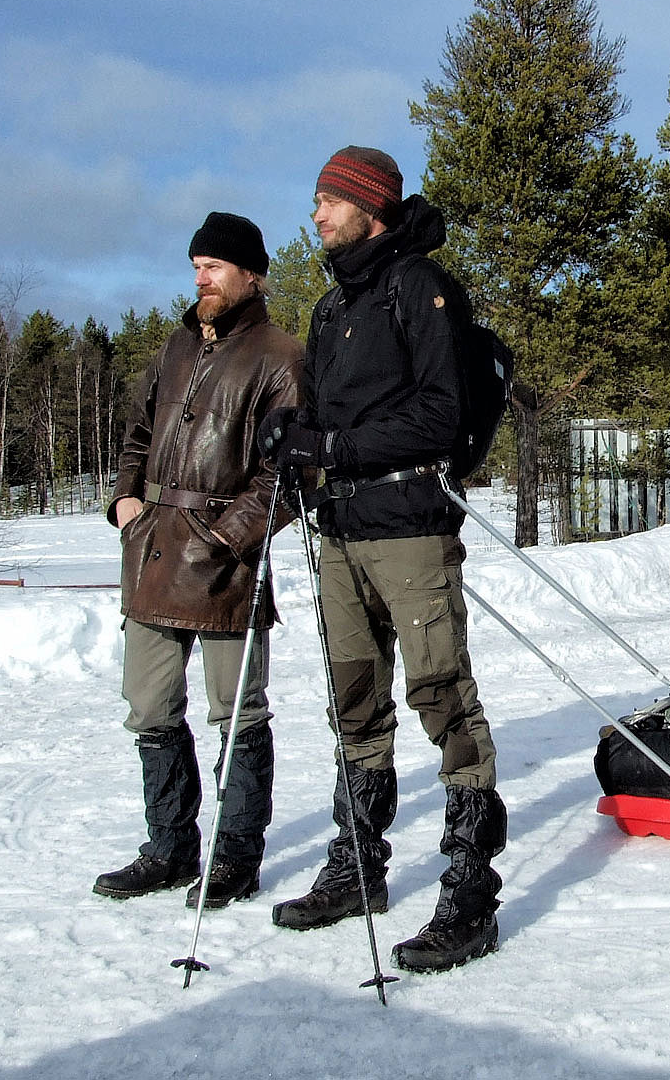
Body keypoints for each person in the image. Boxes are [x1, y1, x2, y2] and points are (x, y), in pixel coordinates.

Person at [258, 146, 505, 975]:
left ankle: (469, 888)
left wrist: (337, 443)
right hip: (340, 533)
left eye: (329, 200)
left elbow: (442, 416)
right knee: (354, 700)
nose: (318, 215)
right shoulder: (332, 308)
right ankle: (357, 864)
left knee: (442, 697)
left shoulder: (422, 289)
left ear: (370, 206)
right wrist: (297, 446)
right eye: (317, 200)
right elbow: (326, 424)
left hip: (410, 530)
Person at [93, 211, 304, 911]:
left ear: (252, 274)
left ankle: (237, 857)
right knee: (149, 706)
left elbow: (288, 474)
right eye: (195, 266)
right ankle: (170, 846)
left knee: (237, 712)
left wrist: (226, 540)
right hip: (152, 552)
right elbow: (138, 430)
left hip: (223, 563)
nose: (201, 277)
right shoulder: (176, 346)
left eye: (214, 266)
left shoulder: (280, 356)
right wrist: (126, 499)